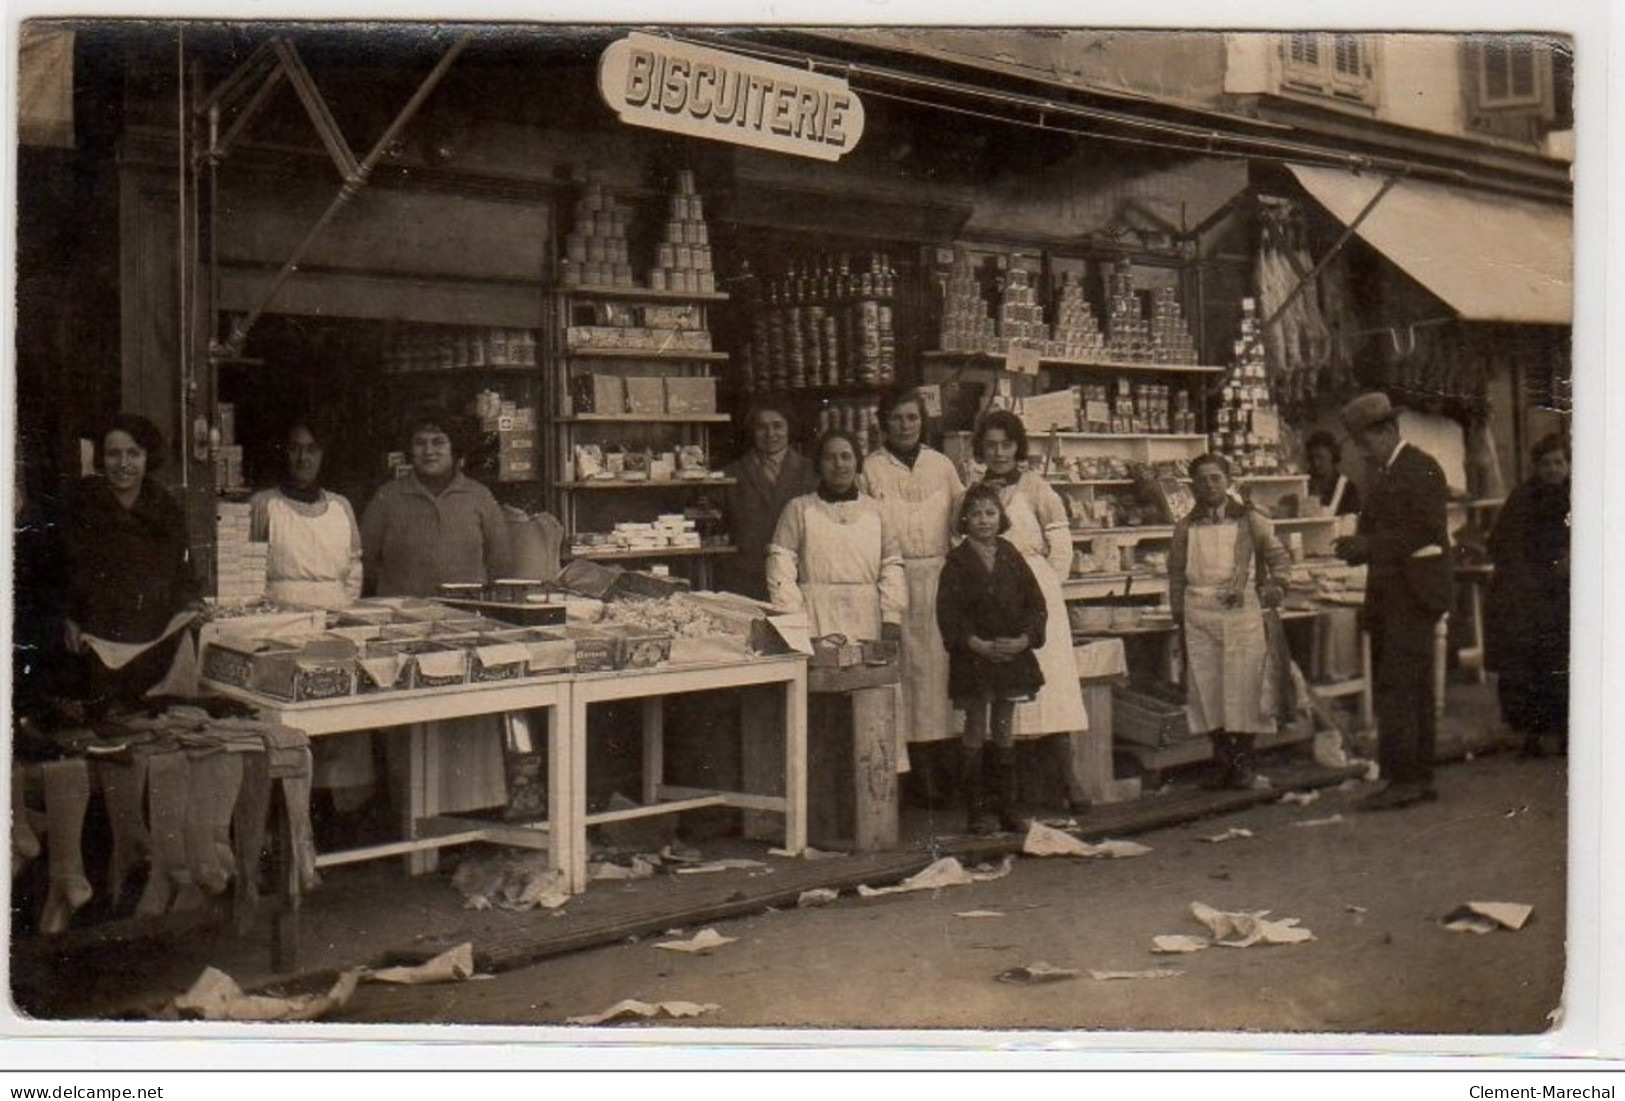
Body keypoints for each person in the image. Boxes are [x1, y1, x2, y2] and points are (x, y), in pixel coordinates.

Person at [360, 410, 514, 814]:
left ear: (456, 450)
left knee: (465, 727)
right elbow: (364, 561)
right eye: (420, 443)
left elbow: (500, 563)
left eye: (438, 442)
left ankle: (471, 816)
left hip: (467, 633)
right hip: (402, 635)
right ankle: (410, 818)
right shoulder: (388, 498)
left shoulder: (479, 498)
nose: (428, 451)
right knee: (407, 729)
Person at [1333, 392, 1453, 810]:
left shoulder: (1419, 468)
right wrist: (1361, 544)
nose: (1362, 450)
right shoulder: (1386, 471)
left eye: (1365, 441)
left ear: (1387, 431)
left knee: (1401, 687)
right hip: (1394, 592)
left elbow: (1424, 531)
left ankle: (1406, 779)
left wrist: (1367, 546)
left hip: (1415, 592)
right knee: (1407, 687)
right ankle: (1415, 777)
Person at [251, 418, 373, 826]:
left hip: (334, 626)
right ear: (284, 453)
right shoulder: (265, 505)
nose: (303, 457)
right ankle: (284, 818)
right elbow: (250, 573)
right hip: (280, 629)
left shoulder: (340, 507)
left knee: (341, 727)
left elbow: (354, 566)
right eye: (295, 448)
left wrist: (343, 609)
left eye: (312, 449)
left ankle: (340, 817)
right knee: (289, 727)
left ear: (323, 455)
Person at [972, 410, 1093, 814]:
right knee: (1004, 690)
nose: (999, 452)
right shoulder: (974, 493)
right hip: (992, 600)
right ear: (981, 449)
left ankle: (1070, 779)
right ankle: (1013, 792)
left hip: (1036, 595)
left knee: (1053, 688)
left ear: (1018, 447)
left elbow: (1061, 548)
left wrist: (1041, 595)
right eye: (991, 445)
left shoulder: (1038, 489)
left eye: (1006, 444)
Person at [861, 387, 964, 804]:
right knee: (902, 677)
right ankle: (909, 780)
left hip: (939, 576)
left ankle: (944, 774)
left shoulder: (941, 466)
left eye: (912, 418)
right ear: (882, 422)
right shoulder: (870, 469)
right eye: (897, 418)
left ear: (923, 422)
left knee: (939, 678)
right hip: (894, 578)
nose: (905, 426)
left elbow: (962, 517)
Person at [61, 413, 202, 715]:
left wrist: (192, 606)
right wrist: (67, 618)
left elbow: (183, 573)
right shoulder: (79, 503)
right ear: (101, 458)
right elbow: (60, 570)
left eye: (133, 453)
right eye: (114, 454)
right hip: (93, 643)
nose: (123, 463)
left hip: (152, 641)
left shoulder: (165, 508)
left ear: (147, 457)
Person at [1169, 453, 1295, 790]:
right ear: (1192, 485)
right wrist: (1178, 615)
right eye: (1201, 479)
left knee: (1243, 689)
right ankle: (1222, 762)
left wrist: (1276, 586)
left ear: (1228, 481)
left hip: (1241, 613)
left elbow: (1279, 558)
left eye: (1215, 478)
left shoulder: (1251, 520)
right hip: (1198, 614)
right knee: (1208, 690)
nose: (1209, 486)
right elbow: (1176, 574)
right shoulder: (1185, 527)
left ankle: (1244, 765)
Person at [936, 484, 1048, 835]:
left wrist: (1023, 640)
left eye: (990, 513)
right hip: (975, 658)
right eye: (976, 514)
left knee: (1003, 725)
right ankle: (977, 811)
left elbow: (1036, 604)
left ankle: (1008, 808)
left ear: (1000, 517)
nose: (983, 520)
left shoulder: (1012, 555)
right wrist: (976, 644)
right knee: (974, 725)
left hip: (1011, 656)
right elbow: (948, 615)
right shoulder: (955, 563)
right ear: (964, 520)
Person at [765, 428, 906, 645]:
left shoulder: (878, 512)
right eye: (830, 458)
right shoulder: (798, 509)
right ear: (819, 465)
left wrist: (892, 618)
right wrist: (793, 619)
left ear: (857, 462)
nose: (839, 465)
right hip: (815, 619)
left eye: (846, 456)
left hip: (867, 619)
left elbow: (892, 567)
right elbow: (780, 566)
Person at [1485, 433, 1570, 757]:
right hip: (1530, 591)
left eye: (1559, 462)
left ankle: (1567, 734)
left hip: (1568, 593)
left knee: (1567, 662)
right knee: (1529, 662)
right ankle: (1532, 735)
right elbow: (1502, 544)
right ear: (1536, 467)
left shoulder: (1579, 496)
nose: (1553, 470)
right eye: (1546, 464)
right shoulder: (1523, 498)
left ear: (1569, 464)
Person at [718, 400, 818, 601]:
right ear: (751, 430)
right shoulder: (731, 474)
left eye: (778, 426)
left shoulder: (812, 472)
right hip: (747, 578)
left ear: (789, 428)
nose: (770, 433)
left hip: (798, 578)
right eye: (761, 427)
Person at [1304, 429, 1362, 517]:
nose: (1316, 463)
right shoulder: (1304, 485)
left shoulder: (1348, 488)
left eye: (1321, 458)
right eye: (1312, 458)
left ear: (1333, 456)